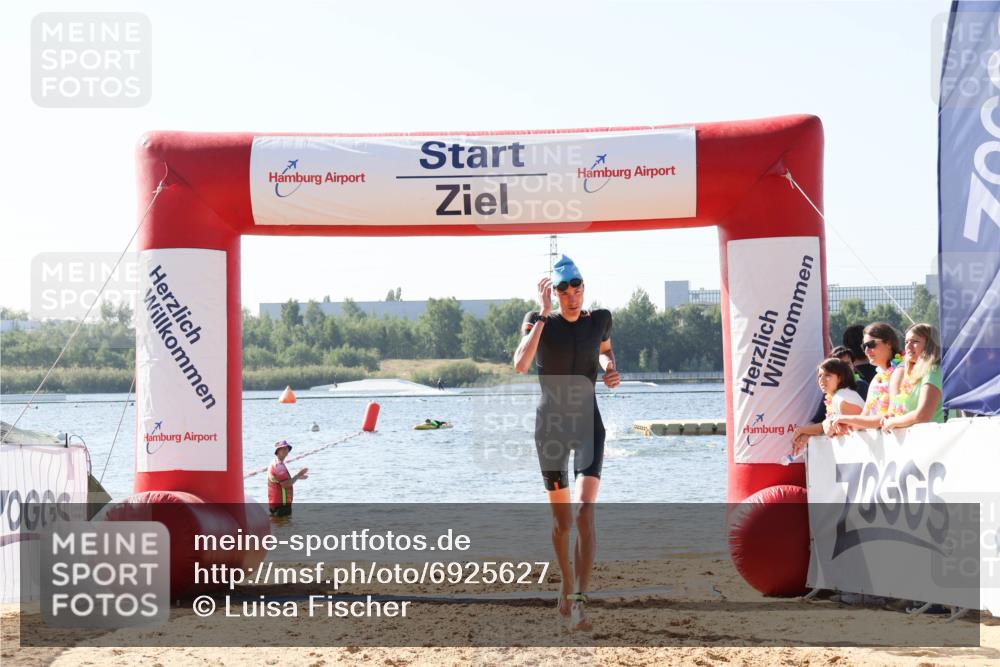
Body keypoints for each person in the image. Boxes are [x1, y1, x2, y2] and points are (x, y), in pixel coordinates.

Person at [513, 254, 620, 631]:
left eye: (577, 288)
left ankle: (578, 602)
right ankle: (567, 579)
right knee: (561, 523)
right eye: (564, 290)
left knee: (583, 513)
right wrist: (542, 315)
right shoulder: (537, 320)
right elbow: (521, 364)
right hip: (551, 429)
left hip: (589, 424)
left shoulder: (600, 319)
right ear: (554, 294)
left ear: (583, 289)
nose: (572, 295)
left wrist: (610, 370)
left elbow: (605, 351)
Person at [829, 322, 902, 434]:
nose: (866, 351)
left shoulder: (902, 370)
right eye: (864, 346)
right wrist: (834, 424)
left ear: (888, 343)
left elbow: (891, 416)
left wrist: (845, 419)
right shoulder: (876, 379)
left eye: (871, 344)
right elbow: (865, 416)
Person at [792, 358, 865, 455]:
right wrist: (804, 432)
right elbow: (827, 426)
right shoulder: (837, 396)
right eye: (820, 376)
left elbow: (859, 427)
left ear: (840, 377)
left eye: (827, 375)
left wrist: (803, 431)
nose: (821, 380)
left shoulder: (842, 397)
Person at [882, 323, 944, 432]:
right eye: (906, 342)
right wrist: (890, 416)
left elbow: (922, 415)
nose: (908, 346)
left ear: (930, 345)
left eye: (915, 341)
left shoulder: (933, 371)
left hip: (933, 441)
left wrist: (893, 422)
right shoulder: (911, 373)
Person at [267, 439, 308, 517]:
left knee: (282, 526)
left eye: (287, 449)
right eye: (283, 449)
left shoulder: (276, 463)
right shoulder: (278, 465)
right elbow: (285, 484)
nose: (286, 451)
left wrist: (298, 477)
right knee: (284, 526)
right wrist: (298, 475)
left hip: (277, 504)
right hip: (281, 506)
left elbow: (282, 481)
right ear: (278, 451)